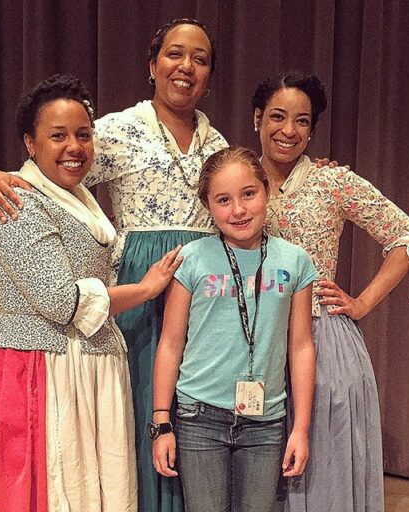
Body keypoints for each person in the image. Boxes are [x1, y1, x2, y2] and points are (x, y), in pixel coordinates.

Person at [0, 18, 228, 512]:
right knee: (137, 407)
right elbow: (54, 171)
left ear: (209, 74)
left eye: (200, 59)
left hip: (199, 282)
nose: (186, 67)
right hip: (139, 278)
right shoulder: (113, 130)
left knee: (194, 404)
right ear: (152, 64)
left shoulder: (218, 145)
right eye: (175, 54)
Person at [0, 74, 183, 512]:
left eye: (83, 135)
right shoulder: (17, 202)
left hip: (85, 364)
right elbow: (60, 302)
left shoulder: (80, 200)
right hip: (35, 370)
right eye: (58, 136)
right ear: (31, 143)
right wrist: (144, 290)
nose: (74, 147)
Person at [251, 72, 409, 512]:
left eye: (302, 121)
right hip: (251, 337)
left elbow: (408, 236)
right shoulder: (238, 178)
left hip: (323, 340)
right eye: (277, 116)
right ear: (257, 119)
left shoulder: (333, 181)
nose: (289, 131)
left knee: (320, 475)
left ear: (312, 130)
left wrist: (361, 302)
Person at [150, 146, 318, 512]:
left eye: (248, 194)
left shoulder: (295, 260)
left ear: (265, 191)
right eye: (223, 200)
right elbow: (171, 343)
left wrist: (300, 429)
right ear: (209, 206)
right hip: (199, 417)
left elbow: (301, 346)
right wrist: (162, 423)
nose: (238, 210)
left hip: (265, 422)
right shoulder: (191, 259)